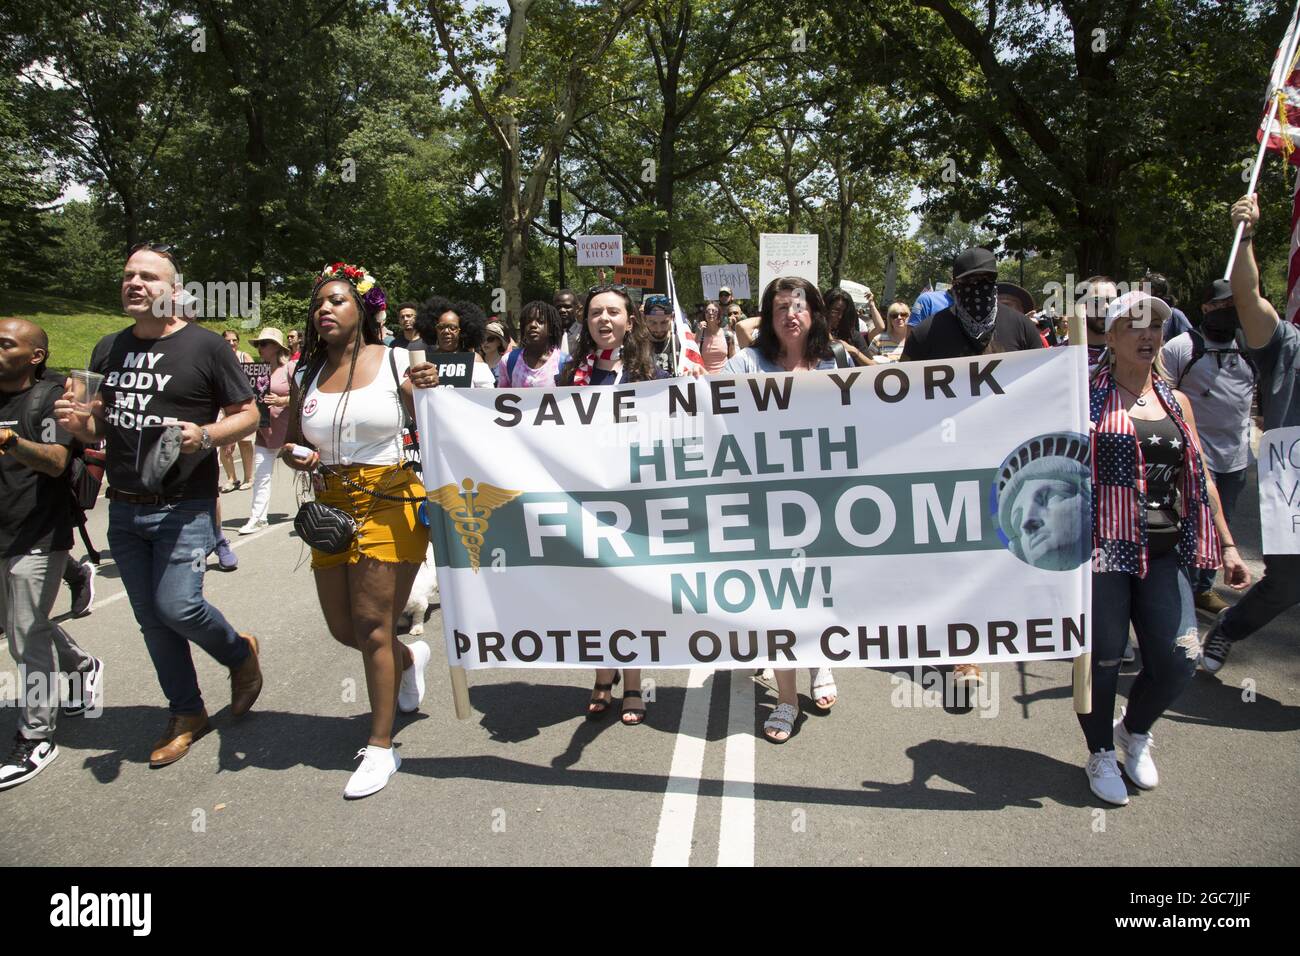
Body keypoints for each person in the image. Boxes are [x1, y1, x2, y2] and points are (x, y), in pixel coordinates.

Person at [54, 243, 263, 769]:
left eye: (148, 276)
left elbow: (249, 414)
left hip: (184, 503)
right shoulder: (109, 348)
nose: (135, 283)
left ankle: (240, 653)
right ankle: (187, 712)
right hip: (122, 506)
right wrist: (81, 426)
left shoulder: (206, 347)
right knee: (151, 620)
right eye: (129, 275)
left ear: (173, 290)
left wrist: (208, 433)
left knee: (178, 607)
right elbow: (97, 420)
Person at [1081, 290, 1248, 805]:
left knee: (1179, 659)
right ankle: (1101, 751)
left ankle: (1134, 730)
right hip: (1102, 549)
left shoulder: (1177, 404)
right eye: (1133, 326)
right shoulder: (1082, 396)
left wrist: (1227, 542)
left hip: (1165, 549)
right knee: (1104, 659)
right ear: (1110, 338)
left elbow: (1200, 475)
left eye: (1155, 324)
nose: (1147, 334)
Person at [280, 262, 434, 798]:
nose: (325, 309)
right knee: (344, 629)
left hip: (391, 498)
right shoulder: (305, 373)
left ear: (363, 311)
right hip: (330, 505)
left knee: (372, 626)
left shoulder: (396, 361)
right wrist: (294, 453)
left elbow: (434, 422)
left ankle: (380, 747)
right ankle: (411, 657)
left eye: (338, 300)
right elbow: (287, 436)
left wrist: (425, 390)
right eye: (319, 302)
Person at [903, 248, 1042, 688]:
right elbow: (899, 400)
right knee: (960, 560)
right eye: (970, 285)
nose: (979, 291)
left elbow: (1046, 386)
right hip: (949, 466)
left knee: (998, 555)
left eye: (987, 282)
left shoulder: (1020, 328)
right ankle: (967, 653)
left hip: (1009, 464)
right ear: (954, 288)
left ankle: (1014, 627)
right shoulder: (927, 334)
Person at [724, 276, 848, 743]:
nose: (790, 315)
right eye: (779, 308)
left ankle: (821, 661)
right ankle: (786, 698)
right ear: (767, 317)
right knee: (779, 599)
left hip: (824, 500)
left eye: (799, 306)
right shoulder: (744, 364)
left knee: (817, 591)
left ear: (814, 312)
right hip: (763, 505)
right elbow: (715, 421)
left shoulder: (832, 363)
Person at [0, 319, 104, 789]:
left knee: (24, 634)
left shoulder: (50, 399)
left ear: (35, 355)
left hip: (37, 530)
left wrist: (11, 442)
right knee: (24, 625)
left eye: (5, 344)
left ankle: (37, 735)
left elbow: (58, 461)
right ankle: (83, 666)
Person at [557, 284, 666, 725]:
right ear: (585, 321)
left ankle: (635, 682)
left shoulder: (649, 376)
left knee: (629, 592)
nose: (604, 320)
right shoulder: (569, 376)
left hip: (633, 501)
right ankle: (603, 676)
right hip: (584, 501)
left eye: (613, 312)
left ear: (630, 320)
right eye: (595, 312)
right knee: (596, 593)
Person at [1201, 193, 1300, 674]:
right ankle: (1229, 628)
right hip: (1293, 491)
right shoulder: (1286, 347)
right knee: (1286, 583)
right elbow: (1248, 297)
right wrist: (1248, 238)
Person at [1159, 278, 1256, 615]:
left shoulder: (1249, 345)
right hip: (1195, 457)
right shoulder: (1180, 348)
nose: (1228, 310)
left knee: (1222, 522)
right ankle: (1181, 592)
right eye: (1221, 304)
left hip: (1237, 456)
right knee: (1191, 525)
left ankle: (1203, 588)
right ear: (1205, 308)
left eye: (1234, 304)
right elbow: (1163, 397)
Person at [238, 328, 294, 534]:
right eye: (258, 345)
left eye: (264, 344)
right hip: (265, 432)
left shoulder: (289, 368)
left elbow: (303, 396)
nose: (260, 348)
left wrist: (282, 400)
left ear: (276, 348)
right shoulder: (255, 372)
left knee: (305, 472)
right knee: (261, 476)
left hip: (289, 432)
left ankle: (319, 505)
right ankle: (258, 517)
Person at [414, 296, 496, 388]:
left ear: (462, 331)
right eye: (441, 327)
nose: (446, 331)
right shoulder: (428, 360)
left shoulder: (473, 359)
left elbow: (487, 393)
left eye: (452, 328)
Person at [497, 300, 568, 387]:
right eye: (528, 321)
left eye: (540, 321)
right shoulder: (508, 361)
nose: (533, 325)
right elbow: (502, 397)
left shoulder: (565, 363)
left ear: (551, 329)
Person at [219, 330, 255, 493]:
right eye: (228, 341)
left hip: (242, 406)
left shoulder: (244, 357)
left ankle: (249, 477)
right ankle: (231, 478)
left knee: (245, 443)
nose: (232, 343)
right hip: (223, 406)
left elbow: (256, 380)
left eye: (234, 340)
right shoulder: (217, 359)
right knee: (223, 443)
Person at [1073, 275, 1118, 367]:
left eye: (1113, 301)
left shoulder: (1129, 353)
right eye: (1097, 301)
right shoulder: (1060, 356)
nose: (1106, 307)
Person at [822, 287, 873, 365]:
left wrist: (853, 351)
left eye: (844, 312)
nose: (840, 316)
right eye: (836, 310)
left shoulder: (854, 336)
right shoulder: (812, 337)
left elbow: (873, 366)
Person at [1143, 272, 1192, 342]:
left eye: (1144, 288)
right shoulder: (1136, 314)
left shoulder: (1174, 315)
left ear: (1155, 292)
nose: (1140, 291)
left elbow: (1191, 340)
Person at [696, 297, 736, 374]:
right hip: (706, 379)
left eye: (714, 311)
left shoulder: (728, 335)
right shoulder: (700, 334)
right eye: (707, 311)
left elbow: (734, 361)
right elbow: (695, 357)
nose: (710, 313)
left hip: (725, 378)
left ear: (719, 314)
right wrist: (699, 334)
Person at [642, 294, 678, 375]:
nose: (659, 329)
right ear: (644, 319)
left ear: (672, 317)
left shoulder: (682, 343)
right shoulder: (636, 345)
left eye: (664, 322)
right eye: (653, 323)